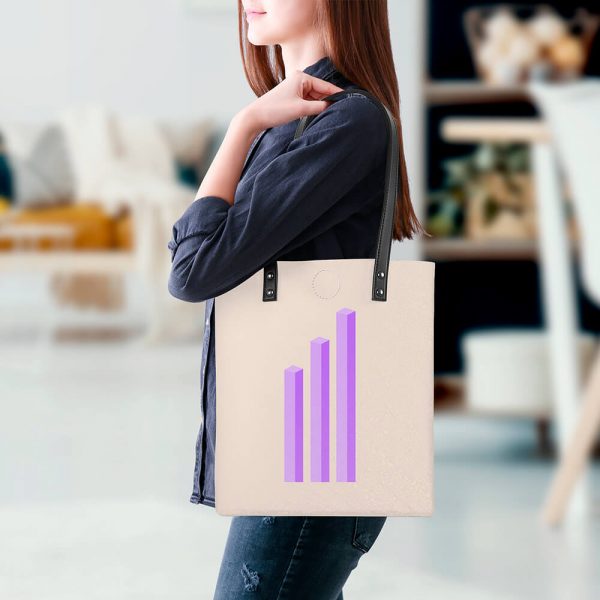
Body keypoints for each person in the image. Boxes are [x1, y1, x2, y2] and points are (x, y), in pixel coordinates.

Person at [167, 1, 425, 597]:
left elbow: (193, 270)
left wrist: (240, 128)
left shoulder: (348, 122)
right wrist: (255, 124)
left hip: (317, 455)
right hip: (297, 439)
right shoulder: (290, 122)